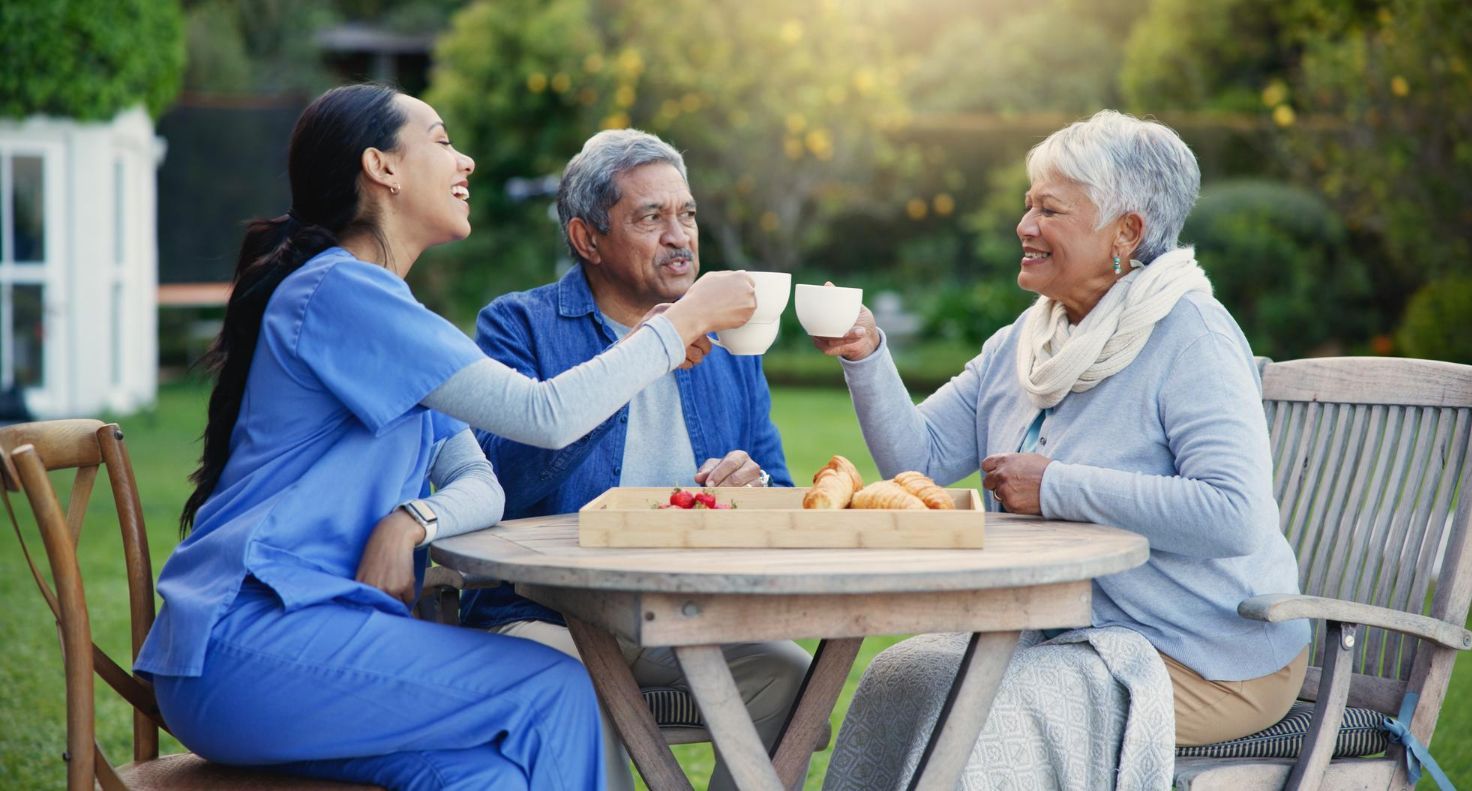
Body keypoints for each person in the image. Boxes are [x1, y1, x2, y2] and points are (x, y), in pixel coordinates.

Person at [133, 85, 759, 791]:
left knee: (493, 777)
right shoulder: (340, 292)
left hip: (312, 643)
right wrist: (679, 323)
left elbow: (478, 480)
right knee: (557, 689)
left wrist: (414, 518)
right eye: (438, 139)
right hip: (249, 644)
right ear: (382, 167)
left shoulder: (394, 315)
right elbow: (545, 414)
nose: (463, 162)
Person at [816, 110, 1310, 758]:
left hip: (1209, 655)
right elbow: (920, 458)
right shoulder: (1025, 343)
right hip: (1067, 636)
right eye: (1028, 207)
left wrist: (1056, 488)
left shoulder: (1193, 337)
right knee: (899, 679)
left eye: (1050, 210)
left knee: (996, 718)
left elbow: (1234, 515)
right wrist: (866, 352)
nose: (1024, 226)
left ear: (1126, 231)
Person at [461, 128, 812, 791]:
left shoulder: (732, 342)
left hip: (684, 616)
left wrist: (756, 483)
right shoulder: (518, 326)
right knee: (568, 689)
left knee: (788, 675)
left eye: (687, 214)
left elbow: (782, 489)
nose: (680, 236)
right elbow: (500, 481)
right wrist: (655, 346)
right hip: (547, 615)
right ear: (587, 238)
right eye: (651, 217)